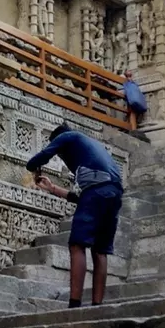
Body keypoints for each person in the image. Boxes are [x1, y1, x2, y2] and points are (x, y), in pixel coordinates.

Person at [26, 122, 123, 308]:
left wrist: (34, 168)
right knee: (100, 250)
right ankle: (97, 305)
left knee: (77, 245)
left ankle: (74, 304)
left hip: (97, 190)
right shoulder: (91, 150)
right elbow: (82, 198)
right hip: (114, 192)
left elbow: (38, 159)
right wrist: (53, 188)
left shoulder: (67, 137)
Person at [120, 69, 149, 137]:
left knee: (132, 111)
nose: (129, 77)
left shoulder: (132, 83)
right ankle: (131, 128)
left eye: (130, 75)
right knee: (131, 111)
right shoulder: (125, 81)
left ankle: (132, 128)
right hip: (127, 100)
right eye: (128, 75)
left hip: (131, 101)